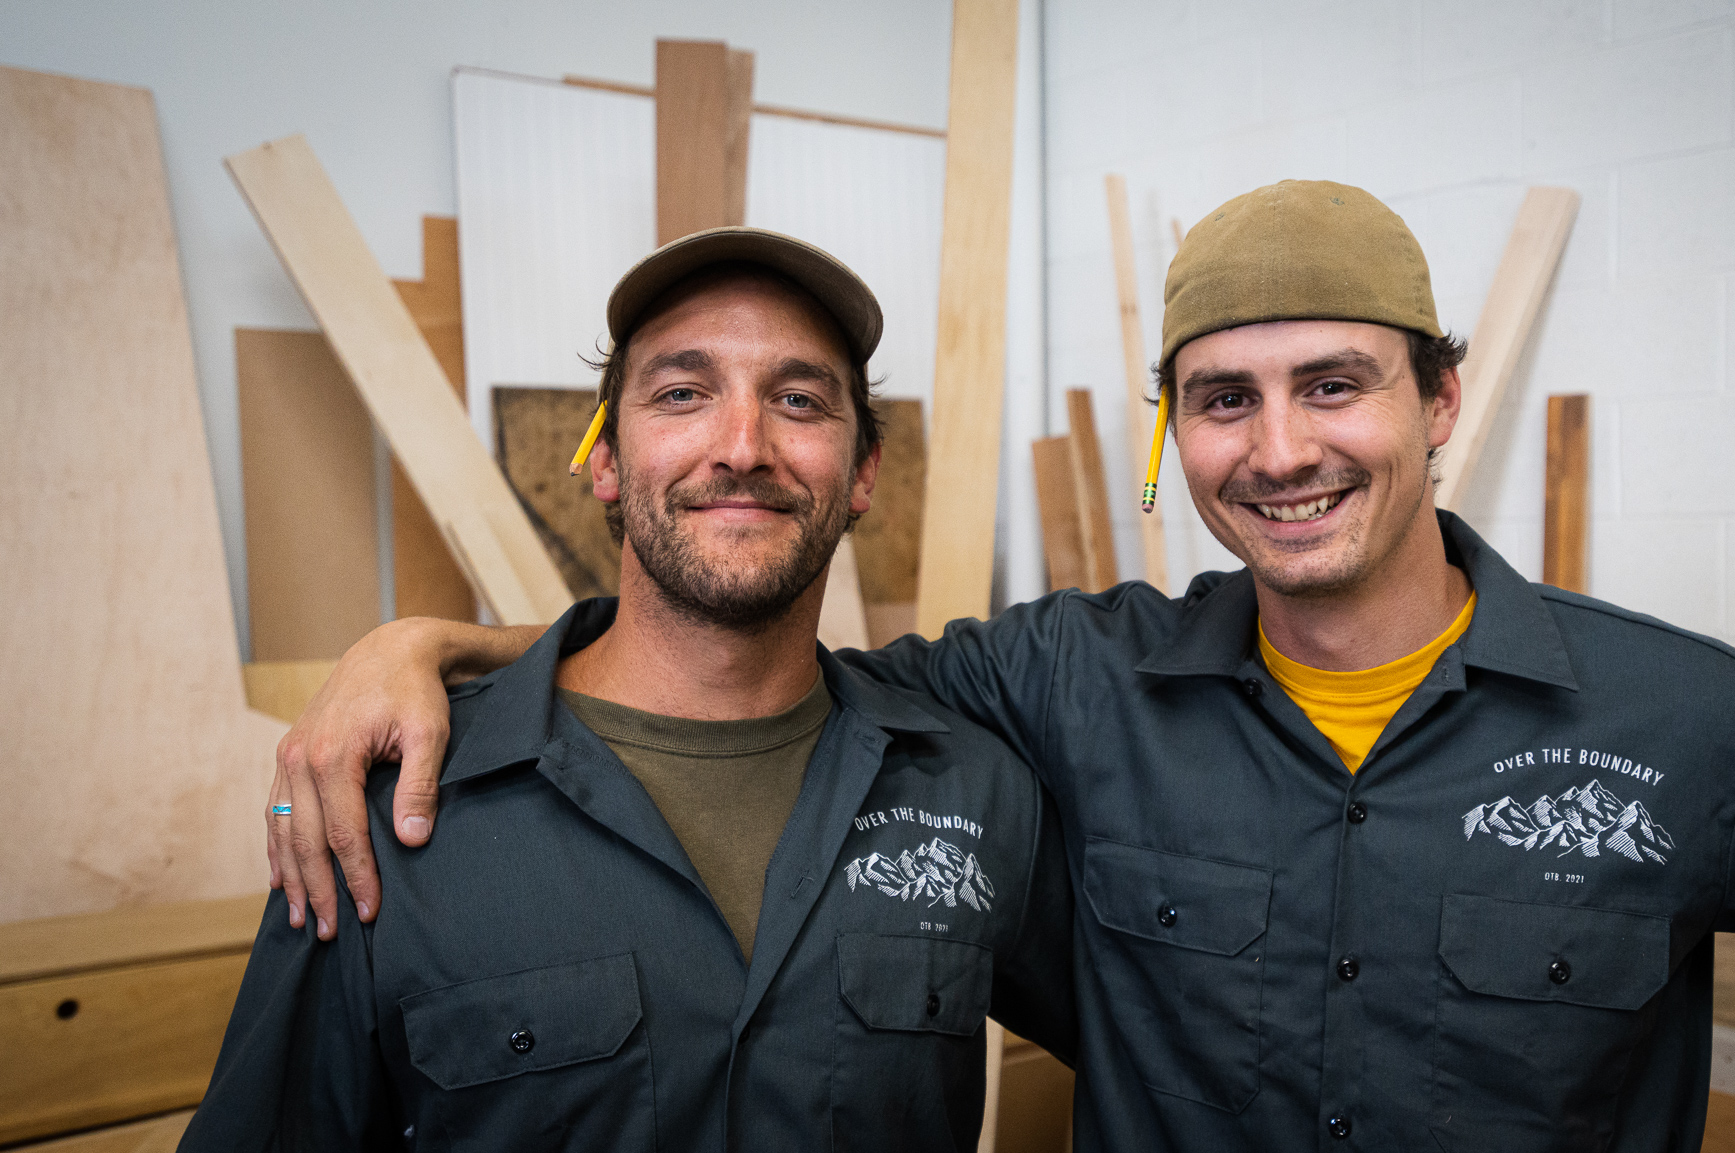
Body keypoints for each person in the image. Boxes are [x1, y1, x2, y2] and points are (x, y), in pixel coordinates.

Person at [271, 182, 1735, 1152]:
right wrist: (423, 646)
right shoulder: (1057, 684)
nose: (1278, 447)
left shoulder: (1695, 719)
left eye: (1332, 382)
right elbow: (725, 624)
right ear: (1175, 438)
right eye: (1221, 398)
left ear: (1439, 403)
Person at [185, 229, 1075, 1153]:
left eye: (799, 399)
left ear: (862, 473)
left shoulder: (970, 791)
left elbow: (1168, 1047)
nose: (742, 446)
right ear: (606, 457)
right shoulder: (389, 804)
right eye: (683, 393)